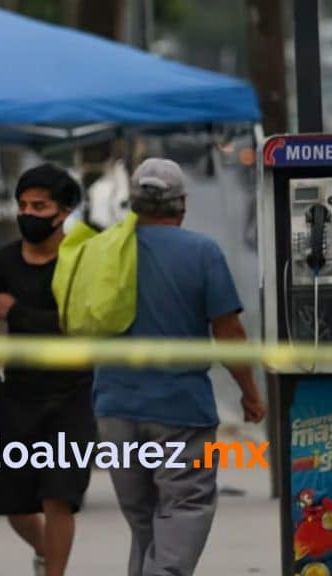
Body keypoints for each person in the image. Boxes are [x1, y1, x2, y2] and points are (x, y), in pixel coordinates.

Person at [94, 158, 267, 576]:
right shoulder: (202, 252)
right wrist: (250, 391)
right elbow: (228, 332)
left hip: (114, 409)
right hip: (182, 411)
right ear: (181, 204)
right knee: (184, 511)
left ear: (133, 204)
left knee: (147, 526)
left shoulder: (103, 250)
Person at [0, 163, 93, 576]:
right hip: (16, 395)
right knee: (11, 503)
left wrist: (19, 313)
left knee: (58, 494)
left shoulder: (82, 259)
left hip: (74, 395)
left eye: (39, 206)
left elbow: (85, 327)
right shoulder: (0, 264)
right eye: (22, 205)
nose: (28, 213)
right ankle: (47, 549)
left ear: (63, 212)